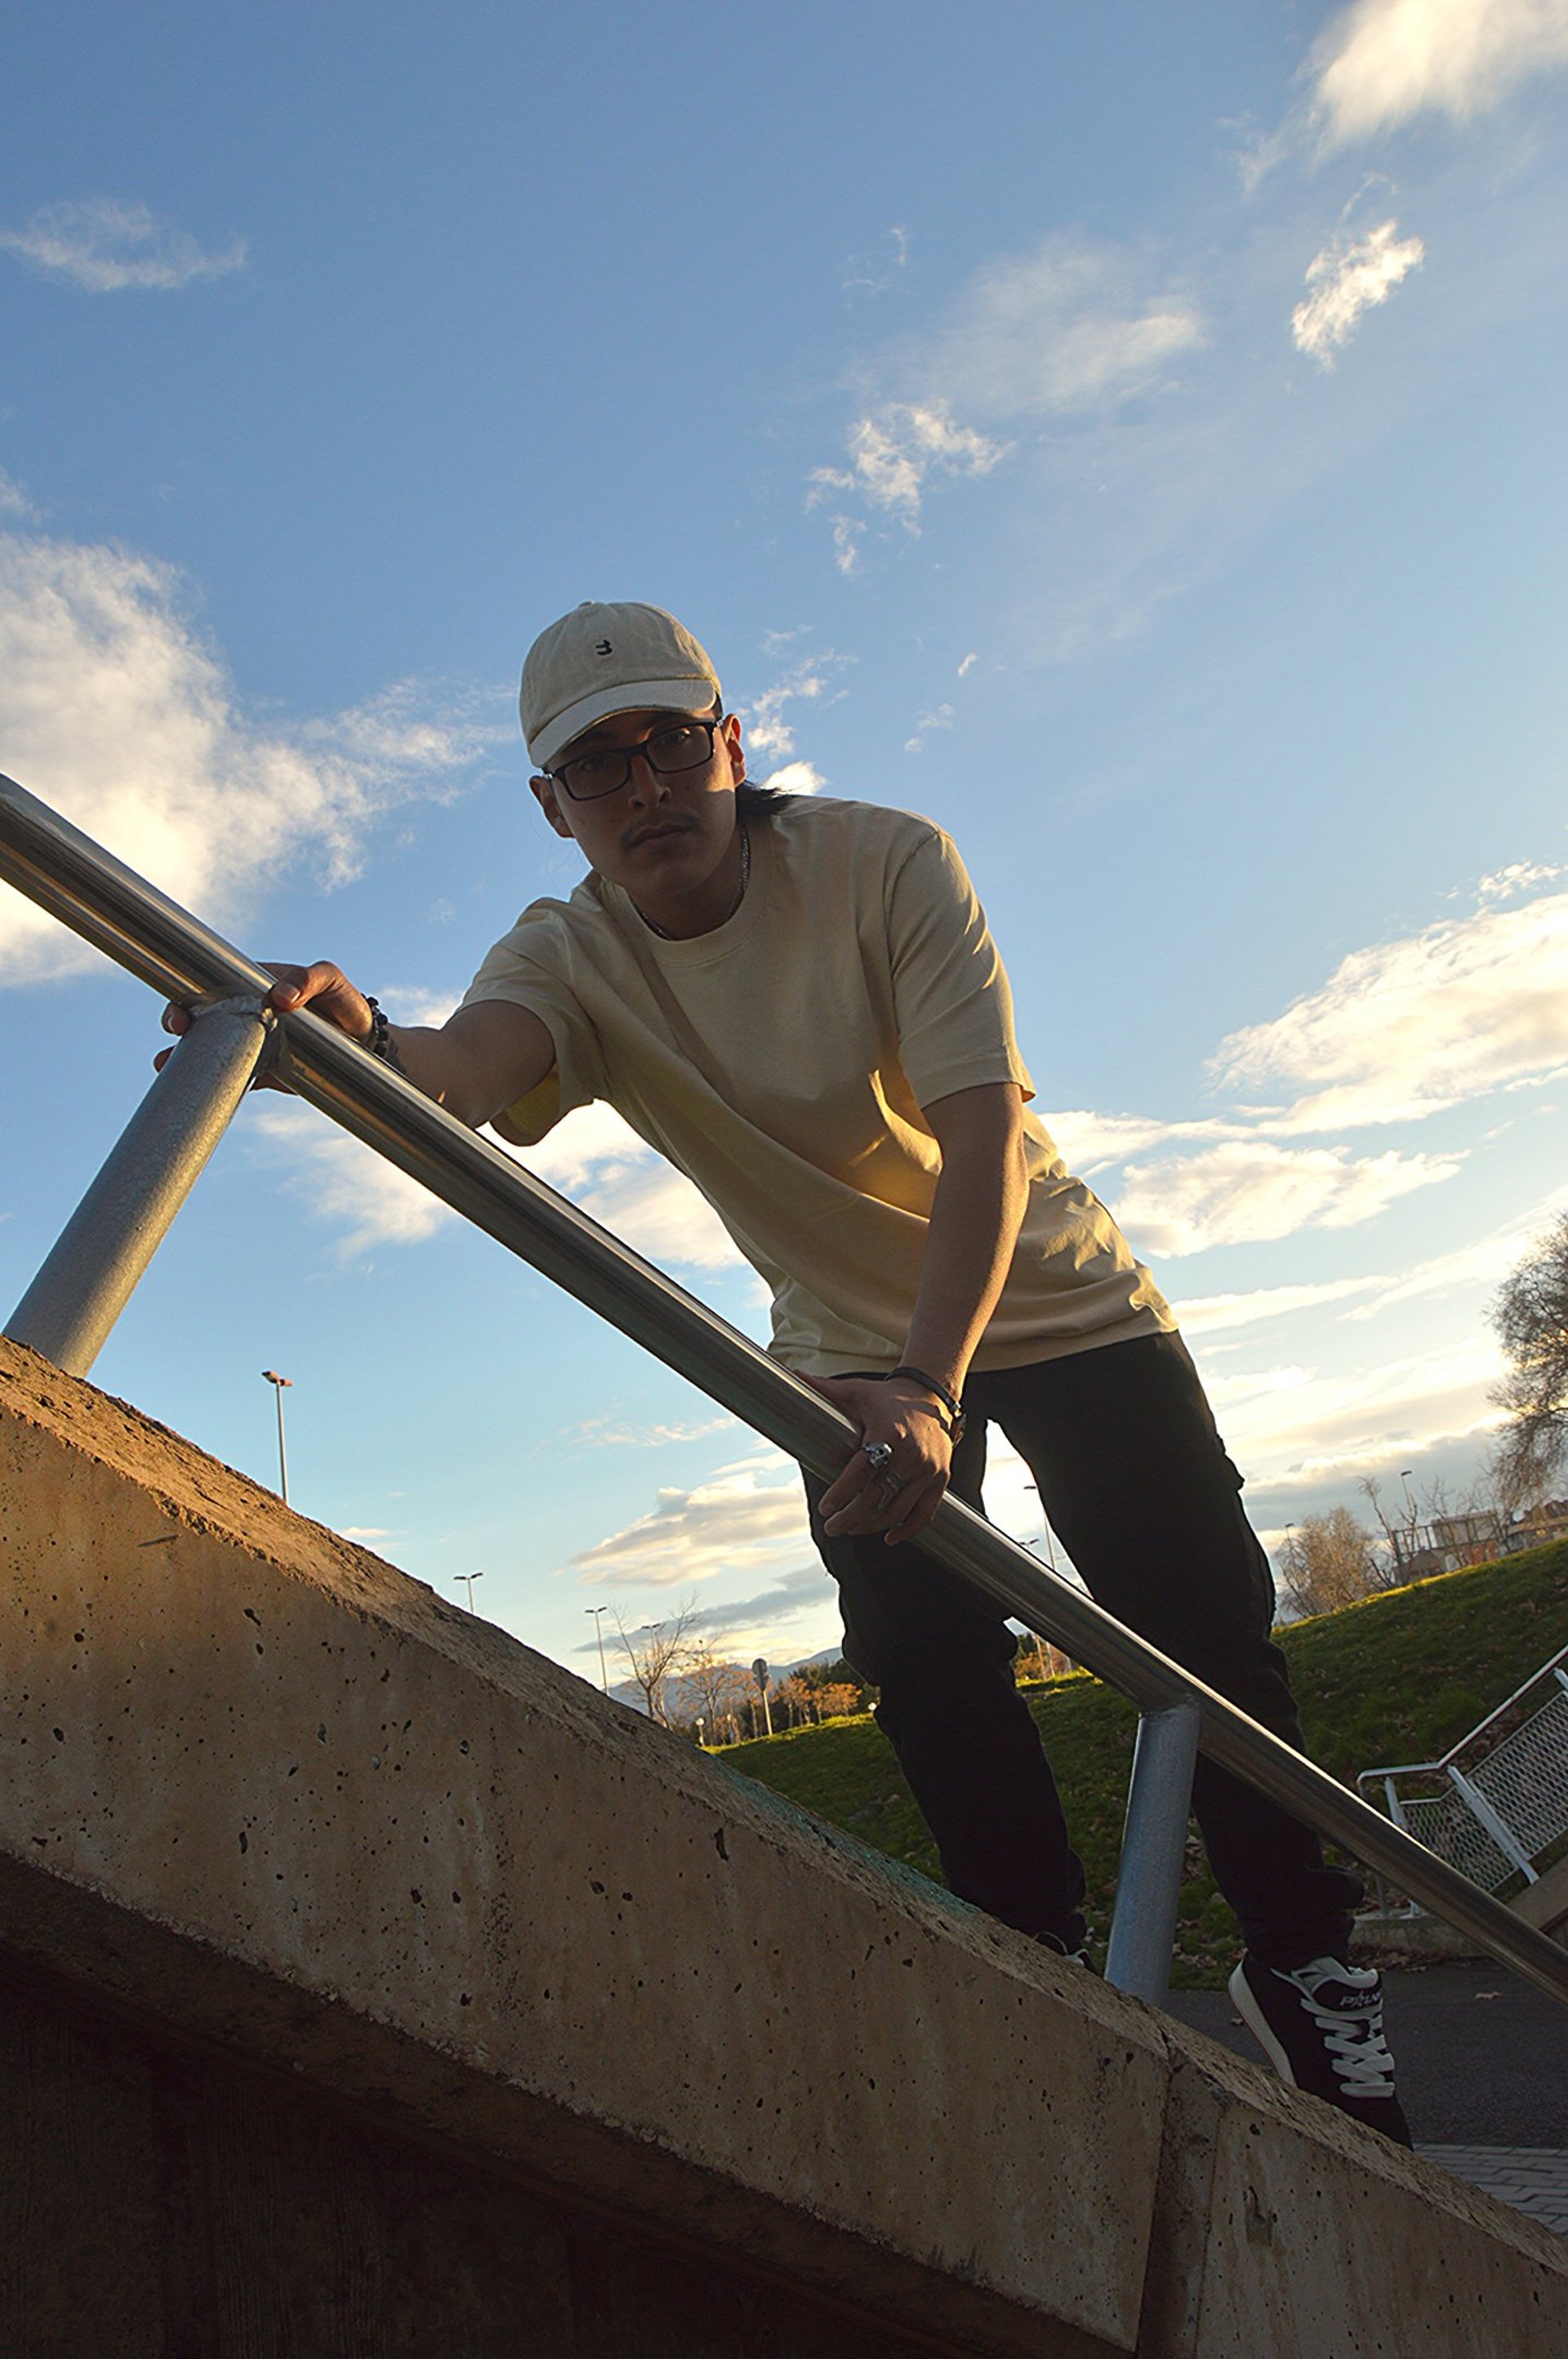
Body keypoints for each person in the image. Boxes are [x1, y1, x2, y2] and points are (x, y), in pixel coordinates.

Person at [168, 600, 1409, 2143]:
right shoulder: (570, 949)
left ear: (729, 746)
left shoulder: (889, 860)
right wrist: (361, 1036)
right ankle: (1031, 1967)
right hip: (838, 1350)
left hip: (1051, 1294)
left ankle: (1304, 1965)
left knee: (1203, 1621)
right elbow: (469, 1071)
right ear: (552, 807)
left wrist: (936, 1386)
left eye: (667, 746)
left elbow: (978, 1147)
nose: (643, 792)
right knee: (921, 1650)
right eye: (595, 770)